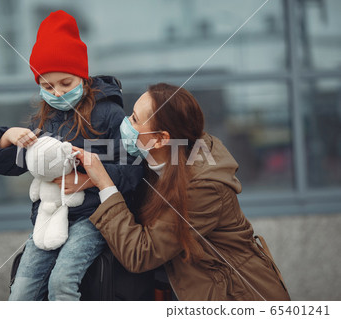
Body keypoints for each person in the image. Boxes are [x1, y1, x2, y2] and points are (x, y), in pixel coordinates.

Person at [74, 83, 291, 301]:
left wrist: (104, 183)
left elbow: (140, 254)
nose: (126, 123)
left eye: (135, 120)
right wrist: (90, 179)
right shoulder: (156, 158)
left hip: (238, 297)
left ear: (161, 139)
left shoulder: (204, 188)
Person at [0, 10, 143, 301]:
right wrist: (6, 137)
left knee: (62, 283)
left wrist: (88, 181)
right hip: (48, 218)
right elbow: (9, 164)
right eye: (47, 86)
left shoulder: (110, 114)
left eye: (65, 83)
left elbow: (134, 170)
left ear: (81, 76)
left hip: (94, 218)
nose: (57, 93)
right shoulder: (44, 121)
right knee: (20, 292)